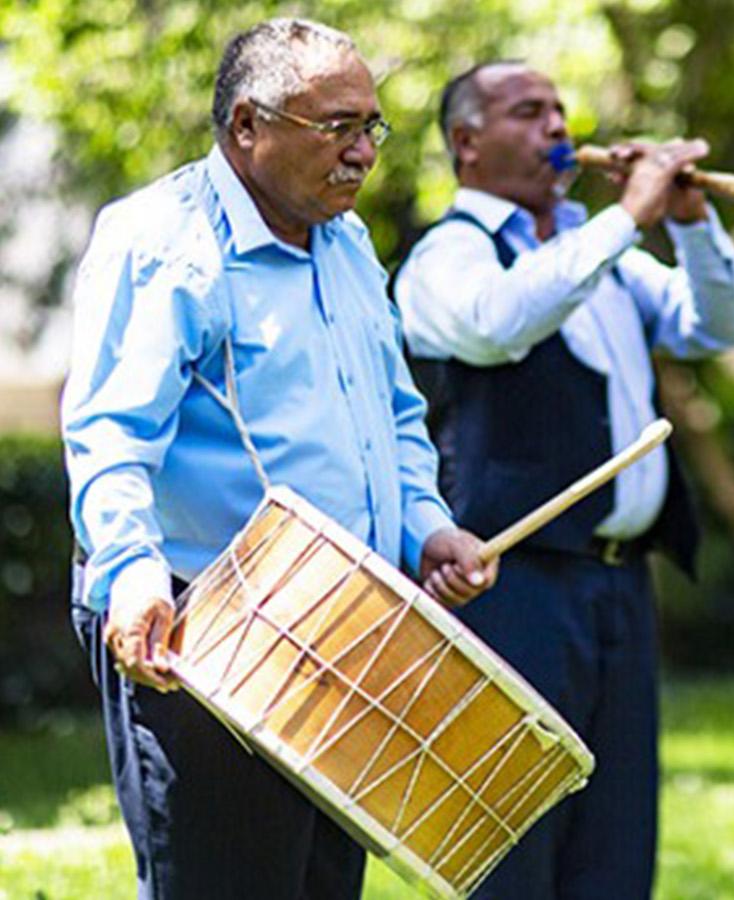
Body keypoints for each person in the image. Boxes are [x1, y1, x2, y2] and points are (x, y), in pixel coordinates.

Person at [61, 19, 498, 899]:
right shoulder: (162, 237)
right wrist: (132, 573)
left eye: (372, 126)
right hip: (204, 628)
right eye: (336, 126)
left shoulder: (346, 242)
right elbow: (109, 432)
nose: (363, 154)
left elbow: (396, 416)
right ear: (248, 126)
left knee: (319, 885)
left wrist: (427, 526)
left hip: (345, 627)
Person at [393, 61, 734, 898]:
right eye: (528, 112)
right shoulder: (450, 255)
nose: (558, 126)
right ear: (467, 145)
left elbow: (717, 326)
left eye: (559, 110)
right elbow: (501, 324)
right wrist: (630, 214)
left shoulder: (603, 255)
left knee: (615, 841)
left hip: (619, 587)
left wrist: (692, 222)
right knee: (510, 839)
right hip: (510, 589)